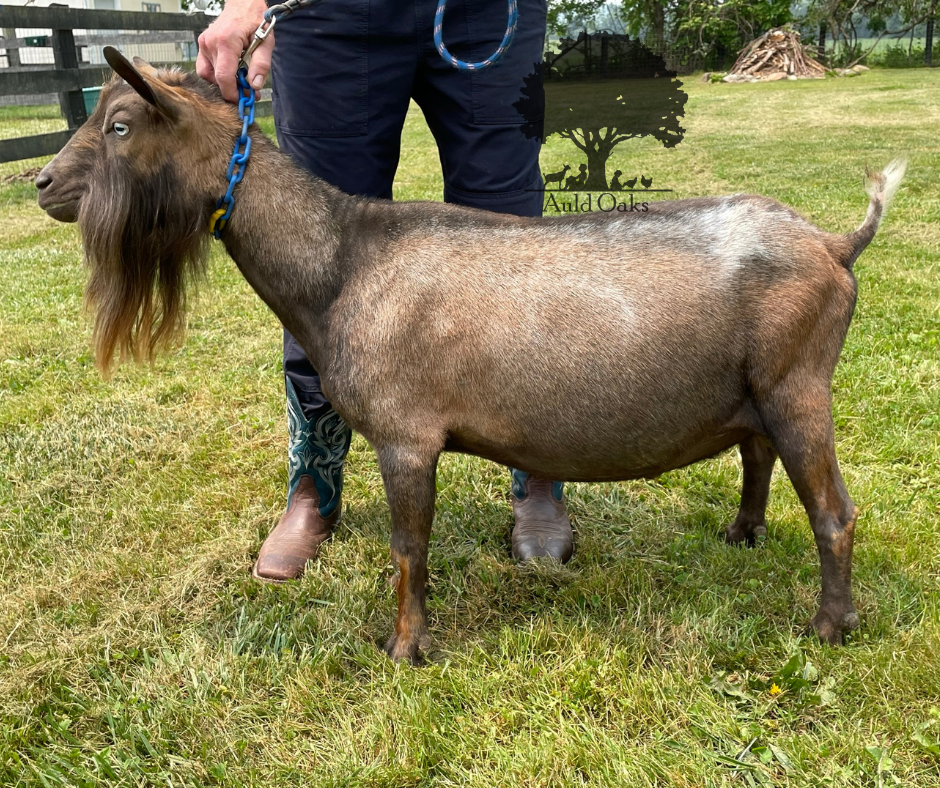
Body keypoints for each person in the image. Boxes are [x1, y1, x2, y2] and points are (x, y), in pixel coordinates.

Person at [196, 0, 574, 580]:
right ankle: (312, 486)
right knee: (314, 255)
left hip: (487, 13)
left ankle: (539, 475)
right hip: (331, 15)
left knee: (515, 240)